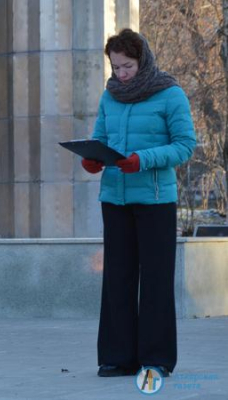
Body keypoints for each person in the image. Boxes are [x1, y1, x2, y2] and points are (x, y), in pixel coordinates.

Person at [81, 28, 196, 378]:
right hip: (114, 198)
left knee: (157, 279)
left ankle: (156, 358)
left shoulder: (170, 94)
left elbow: (184, 146)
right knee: (117, 277)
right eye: (115, 67)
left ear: (142, 60)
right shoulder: (110, 96)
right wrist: (92, 156)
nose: (121, 74)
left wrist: (142, 159)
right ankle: (118, 357)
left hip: (156, 200)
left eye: (127, 66)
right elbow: (101, 137)